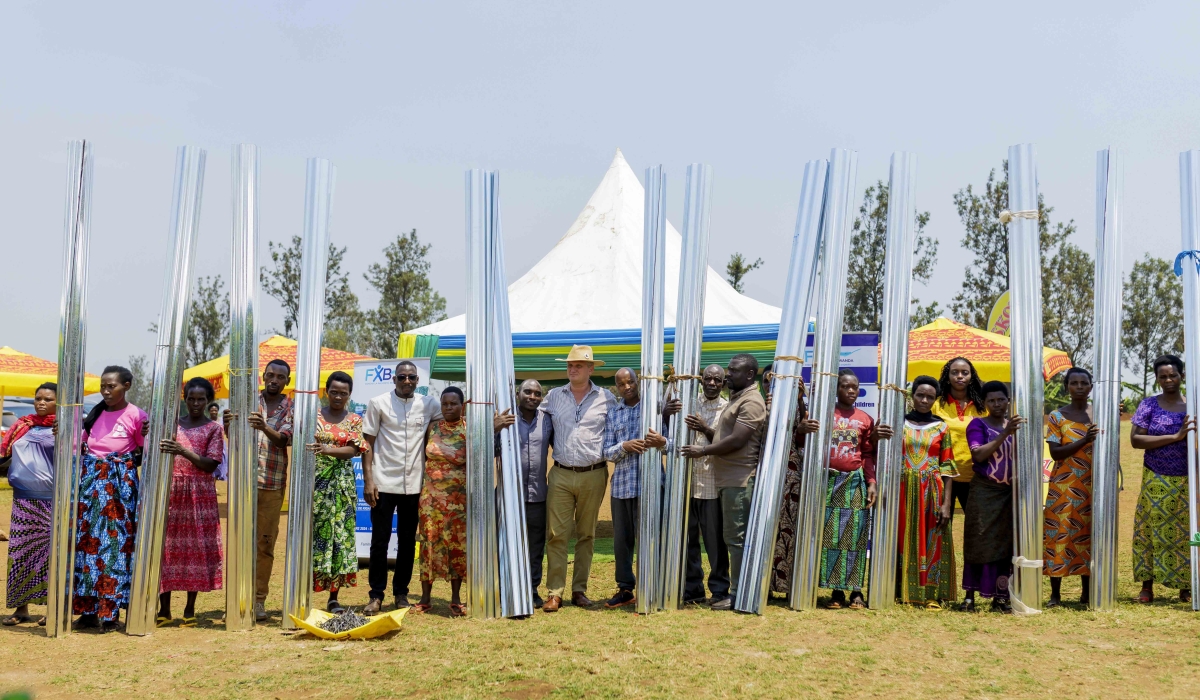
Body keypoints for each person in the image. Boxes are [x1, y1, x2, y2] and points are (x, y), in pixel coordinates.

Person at [681, 353, 767, 610]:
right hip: (726, 480)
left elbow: (738, 440)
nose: (728, 375)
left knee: (735, 539)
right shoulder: (739, 398)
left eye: (732, 371)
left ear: (749, 375)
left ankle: (738, 594)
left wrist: (703, 450)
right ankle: (731, 591)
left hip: (738, 479)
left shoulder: (751, 401)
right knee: (731, 538)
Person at [540, 345, 617, 612]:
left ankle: (579, 590)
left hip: (594, 474)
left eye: (579, 365)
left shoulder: (607, 398)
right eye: (570, 365)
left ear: (591, 369)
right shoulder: (553, 396)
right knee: (556, 535)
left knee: (587, 534)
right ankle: (554, 593)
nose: (573, 369)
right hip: (560, 473)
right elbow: (531, 415)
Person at [73, 366, 148, 632]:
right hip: (91, 487)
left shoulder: (136, 416)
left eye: (111, 386)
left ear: (126, 386)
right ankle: (87, 612)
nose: (105, 391)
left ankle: (110, 612)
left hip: (119, 488)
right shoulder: (94, 414)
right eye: (103, 386)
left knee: (114, 545)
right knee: (87, 544)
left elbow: (145, 451)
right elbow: (79, 446)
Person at [362, 360, 441, 613]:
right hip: (383, 482)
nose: (407, 381)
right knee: (379, 541)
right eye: (402, 377)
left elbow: (447, 425)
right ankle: (376, 595)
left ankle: (401, 593)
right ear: (394, 379)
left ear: (418, 380)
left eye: (411, 377)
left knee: (407, 542)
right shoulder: (378, 403)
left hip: (415, 485)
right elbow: (367, 444)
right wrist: (369, 480)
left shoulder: (429, 404)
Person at [225, 358, 293, 622]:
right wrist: (228, 424)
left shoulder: (291, 407)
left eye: (280, 377)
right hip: (243, 483)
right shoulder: (248, 400)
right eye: (270, 375)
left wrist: (264, 425)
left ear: (287, 381)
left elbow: (284, 440)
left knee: (264, 545)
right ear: (263, 376)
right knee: (239, 542)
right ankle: (236, 598)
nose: (274, 380)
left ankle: (259, 599)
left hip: (272, 485)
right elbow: (233, 436)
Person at [157, 377, 224, 626]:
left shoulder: (214, 429)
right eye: (191, 399)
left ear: (208, 401)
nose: (196, 403)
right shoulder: (171, 426)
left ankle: (189, 608)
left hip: (199, 494)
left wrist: (183, 451)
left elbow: (211, 464)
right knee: (166, 547)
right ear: (184, 399)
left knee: (196, 548)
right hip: (171, 491)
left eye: (201, 399)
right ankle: (164, 610)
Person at [819, 369, 887, 610]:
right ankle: (837, 592)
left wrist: (872, 482)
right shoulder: (825, 415)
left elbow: (868, 454)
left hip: (854, 483)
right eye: (845, 386)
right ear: (836, 389)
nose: (851, 390)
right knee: (832, 537)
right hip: (828, 483)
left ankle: (856, 591)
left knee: (856, 536)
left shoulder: (865, 419)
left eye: (854, 387)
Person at [600, 367, 669, 608]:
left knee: (651, 538)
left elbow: (668, 442)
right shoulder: (613, 413)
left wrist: (661, 441)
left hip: (650, 486)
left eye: (630, 382)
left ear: (638, 382)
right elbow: (606, 451)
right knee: (622, 542)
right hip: (621, 487)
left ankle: (653, 587)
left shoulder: (654, 409)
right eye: (621, 384)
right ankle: (625, 588)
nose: (627, 387)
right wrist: (625, 446)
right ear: (617, 387)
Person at [1130, 354, 1196, 604]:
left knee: (1186, 531)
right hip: (1155, 476)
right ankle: (1147, 586)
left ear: (1182, 376)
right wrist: (1176, 436)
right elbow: (1136, 440)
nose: (1168, 380)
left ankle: (1186, 586)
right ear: (1157, 379)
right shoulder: (1149, 404)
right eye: (1163, 376)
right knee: (1149, 530)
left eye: (1173, 375)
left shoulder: (1193, 405)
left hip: (1187, 477)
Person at [962, 381, 1024, 613]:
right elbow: (978, 454)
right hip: (984, 492)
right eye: (992, 400)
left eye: (1001, 399)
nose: (997, 404)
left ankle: (1000, 598)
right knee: (978, 540)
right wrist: (1006, 433)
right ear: (985, 403)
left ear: (1008, 401)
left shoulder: (1017, 425)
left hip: (1009, 494)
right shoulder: (978, 424)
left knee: (1005, 545)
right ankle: (969, 598)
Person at [491, 379, 553, 608]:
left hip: (537, 495)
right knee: (504, 543)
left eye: (537, 393)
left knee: (535, 547)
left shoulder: (547, 420)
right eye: (527, 392)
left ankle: (532, 590)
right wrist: (493, 428)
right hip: (508, 494)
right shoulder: (505, 418)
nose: (532, 397)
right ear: (518, 394)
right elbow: (486, 451)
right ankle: (505, 589)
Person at [897, 375, 958, 607]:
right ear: (912, 396)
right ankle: (899, 590)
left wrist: (946, 504)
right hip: (902, 488)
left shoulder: (941, 427)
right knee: (901, 537)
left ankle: (931, 594)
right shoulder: (898, 423)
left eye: (930, 397)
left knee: (933, 539)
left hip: (932, 490)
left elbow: (947, 467)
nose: (924, 400)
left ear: (935, 399)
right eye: (920, 395)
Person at [307, 371, 365, 612]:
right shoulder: (312, 416)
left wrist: (326, 449)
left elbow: (353, 450)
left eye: (343, 393)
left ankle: (333, 597)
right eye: (334, 392)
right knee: (311, 536)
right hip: (314, 482)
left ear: (349, 394)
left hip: (342, 486)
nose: (338, 396)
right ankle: (303, 594)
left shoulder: (354, 420)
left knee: (339, 538)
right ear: (326, 392)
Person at [1, 382, 57, 627]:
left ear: (59, 403)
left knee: (51, 554)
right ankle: (21, 609)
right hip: (22, 501)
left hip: (51, 501)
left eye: (48, 399)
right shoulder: (23, 424)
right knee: (20, 553)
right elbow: (5, 453)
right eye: (38, 398)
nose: (41, 402)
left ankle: (52, 609)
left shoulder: (63, 428)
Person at [1044, 367, 1097, 607]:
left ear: (1091, 387)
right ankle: (1055, 594)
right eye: (1074, 383)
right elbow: (1055, 453)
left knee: (1089, 535)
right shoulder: (1057, 416)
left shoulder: (1099, 415)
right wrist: (1085, 439)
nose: (1079, 387)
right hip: (1064, 486)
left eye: (1084, 383)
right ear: (1066, 387)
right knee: (1059, 534)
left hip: (1092, 485)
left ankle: (1087, 593)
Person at [414, 387, 469, 616]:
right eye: (445, 404)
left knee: (457, 545)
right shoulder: (432, 427)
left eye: (453, 403)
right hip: (431, 500)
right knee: (429, 544)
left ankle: (456, 599)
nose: (448, 408)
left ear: (462, 406)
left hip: (458, 500)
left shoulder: (469, 429)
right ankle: (425, 598)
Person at [682, 365, 731, 604]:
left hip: (711, 484)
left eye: (717, 380)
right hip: (687, 484)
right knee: (689, 540)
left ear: (723, 383)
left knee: (715, 542)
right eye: (708, 379)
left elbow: (726, 444)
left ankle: (719, 590)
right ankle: (693, 590)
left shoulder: (728, 408)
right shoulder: (689, 403)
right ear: (701, 380)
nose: (712, 383)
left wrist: (704, 428)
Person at [932, 357, 986, 521]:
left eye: (965, 372)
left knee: (977, 527)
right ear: (948, 377)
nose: (960, 376)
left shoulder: (983, 407)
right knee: (940, 525)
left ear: (971, 377)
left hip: (975, 477)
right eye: (955, 372)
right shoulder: (936, 405)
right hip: (942, 476)